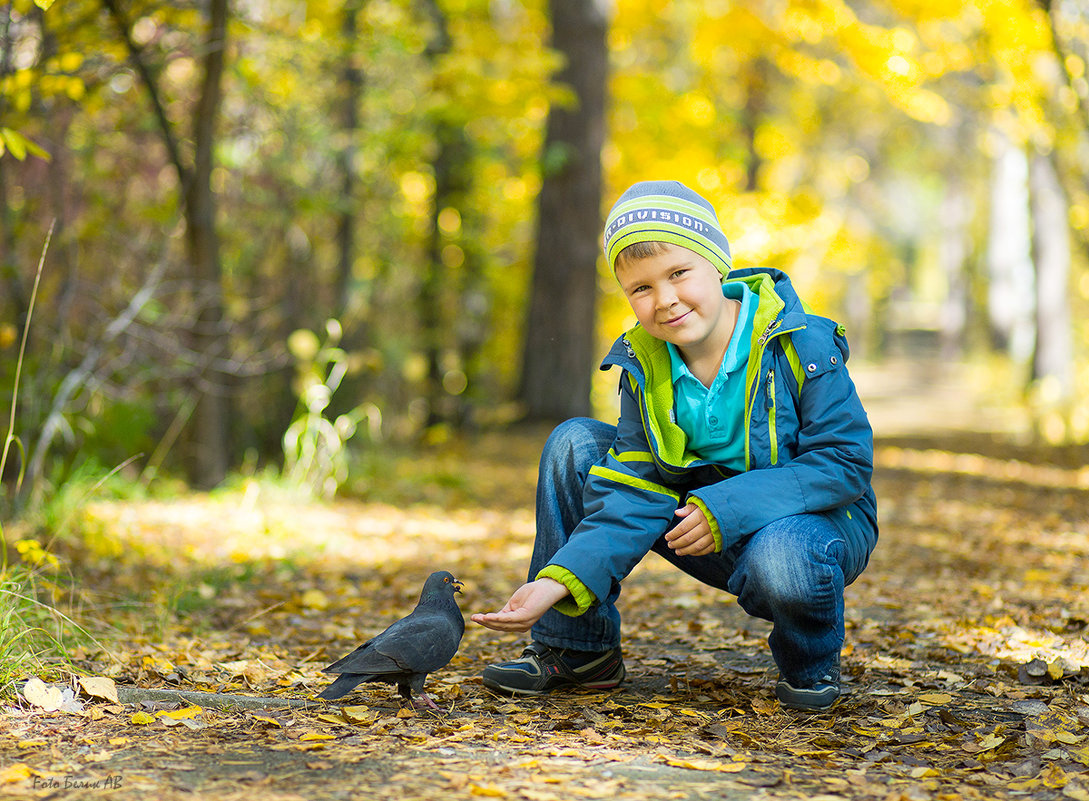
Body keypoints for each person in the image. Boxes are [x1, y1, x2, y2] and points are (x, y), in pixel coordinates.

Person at [472, 180, 878, 712]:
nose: (664, 300)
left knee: (782, 555)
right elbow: (634, 491)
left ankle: (810, 664)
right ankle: (577, 648)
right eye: (640, 288)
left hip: (810, 524)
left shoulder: (800, 343)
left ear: (717, 264)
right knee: (575, 444)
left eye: (678, 273)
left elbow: (844, 464)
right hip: (696, 525)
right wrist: (557, 581)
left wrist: (724, 507)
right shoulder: (643, 362)